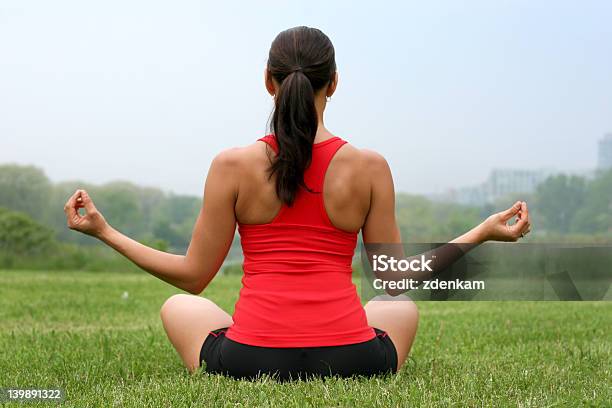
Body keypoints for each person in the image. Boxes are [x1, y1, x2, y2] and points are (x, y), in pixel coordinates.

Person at [64, 26, 531, 381]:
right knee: (401, 306)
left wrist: (105, 231)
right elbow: (391, 278)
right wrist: (481, 232)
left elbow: (194, 277)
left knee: (177, 307)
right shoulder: (370, 166)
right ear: (334, 83)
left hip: (249, 359)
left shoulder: (232, 165)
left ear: (269, 81)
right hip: (353, 359)